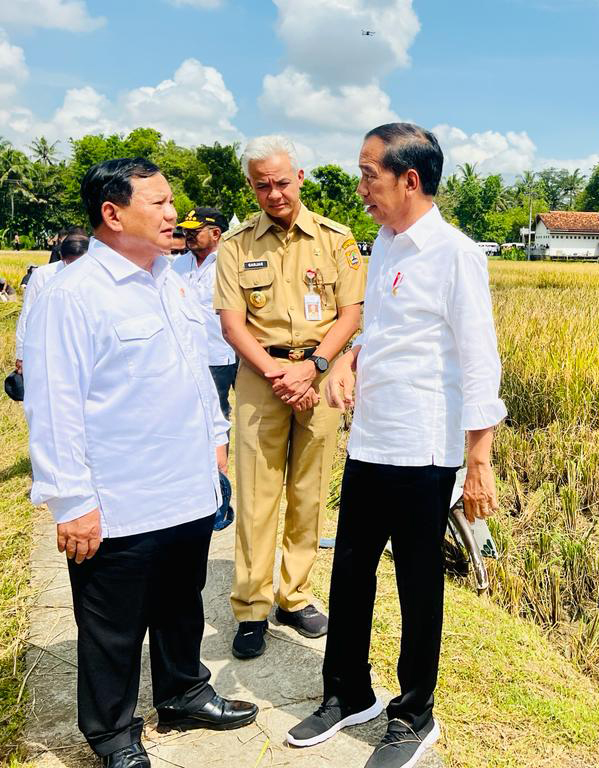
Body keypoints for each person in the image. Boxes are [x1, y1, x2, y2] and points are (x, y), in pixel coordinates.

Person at [23, 158, 258, 768]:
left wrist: (215, 443)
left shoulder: (168, 280)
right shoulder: (72, 295)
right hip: (119, 495)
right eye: (157, 203)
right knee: (113, 625)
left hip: (186, 484)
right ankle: (112, 734)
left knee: (182, 601)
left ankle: (183, 693)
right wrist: (72, 502)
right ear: (113, 213)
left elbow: (196, 371)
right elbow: (53, 405)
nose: (173, 213)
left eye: (170, 201)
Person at [287, 123, 506, 768]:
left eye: (369, 175)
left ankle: (414, 715)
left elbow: (480, 361)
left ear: (410, 180)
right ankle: (348, 692)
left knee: (417, 582)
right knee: (351, 570)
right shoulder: (382, 245)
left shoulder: (455, 254)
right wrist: (348, 358)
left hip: (424, 447)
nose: (361, 189)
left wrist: (479, 460)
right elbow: (385, 330)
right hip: (371, 439)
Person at [214, 135, 366, 660]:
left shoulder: (336, 239)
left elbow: (350, 313)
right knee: (257, 496)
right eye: (262, 186)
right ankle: (251, 607)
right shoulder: (236, 245)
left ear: (300, 178)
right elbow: (232, 325)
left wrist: (313, 367)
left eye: (282, 182)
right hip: (262, 378)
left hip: (318, 376)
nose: (274, 193)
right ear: (251, 187)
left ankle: (294, 595)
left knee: (308, 491)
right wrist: (278, 372)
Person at [174, 207, 237, 531]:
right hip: (190, 354)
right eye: (185, 230)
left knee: (221, 416)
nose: (187, 235)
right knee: (202, 417)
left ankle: (220, 484)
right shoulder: (176, 266)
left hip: (224, 352)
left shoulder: (230, 262)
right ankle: (205, 481)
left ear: (215, 233)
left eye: (194, 231)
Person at [15, 233, 89, 374]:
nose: (75, 269)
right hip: (48, 347)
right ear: (62, 257)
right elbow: (27, 314)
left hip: (83, 348)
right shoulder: (43, 275)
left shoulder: (95, 276)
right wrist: (21, 354)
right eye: (71, 264)